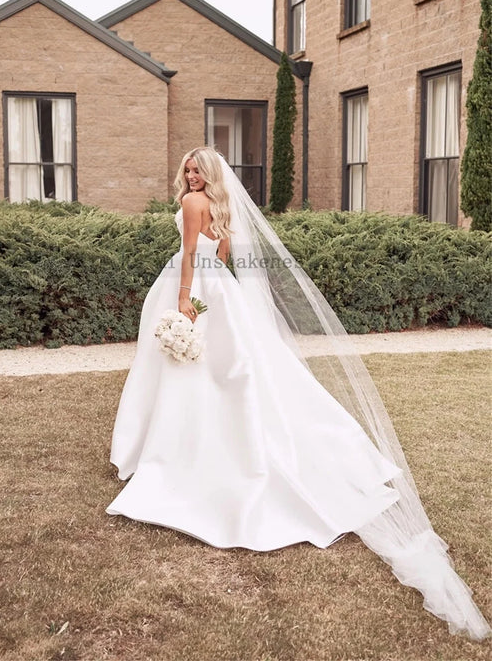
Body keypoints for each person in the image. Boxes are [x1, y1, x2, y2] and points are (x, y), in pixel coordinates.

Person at [107, 146, 490, 640]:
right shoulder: (220, 209)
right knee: (235, 370)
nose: (191, 174)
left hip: (192, 290)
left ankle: (179, 449)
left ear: (211, 174)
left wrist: (184, 301)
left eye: (197, 169)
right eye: (187, 168)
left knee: (193, 371)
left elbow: (188, 256)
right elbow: (220, 257)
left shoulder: (190, 206)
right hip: (219, 292)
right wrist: (205, 295)